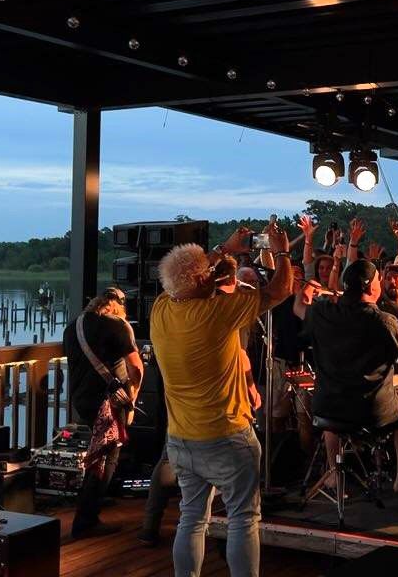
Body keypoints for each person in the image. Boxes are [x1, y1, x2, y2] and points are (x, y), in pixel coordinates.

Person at [149, 222, 293, 577]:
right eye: (207, 271)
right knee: (244, 518)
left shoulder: (161, 308)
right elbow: (281, 289)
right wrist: (283, 251)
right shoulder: (216, 313)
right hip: (227, 436)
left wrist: (223, 250)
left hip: (181, 440)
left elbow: (189, 279)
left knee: (192, 517)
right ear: (200, 280)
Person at [296, 259, 398, 494]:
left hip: (328, 406)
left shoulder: (322, 311)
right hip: (370, 410)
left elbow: (299, 307)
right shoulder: (383, 321)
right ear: (371, 287)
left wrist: (305, 291)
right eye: (378, 279)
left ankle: (335, 476)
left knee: (333, 419)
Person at [64, 286, 143, 539]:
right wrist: (133, 396)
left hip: (81, 399)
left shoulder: (73, 326)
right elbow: (136, 367)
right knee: (107, 456)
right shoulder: (117, 326)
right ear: (118, 306)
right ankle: (86, 520)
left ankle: (93, 500)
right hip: (107, 402)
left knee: (99, 452)